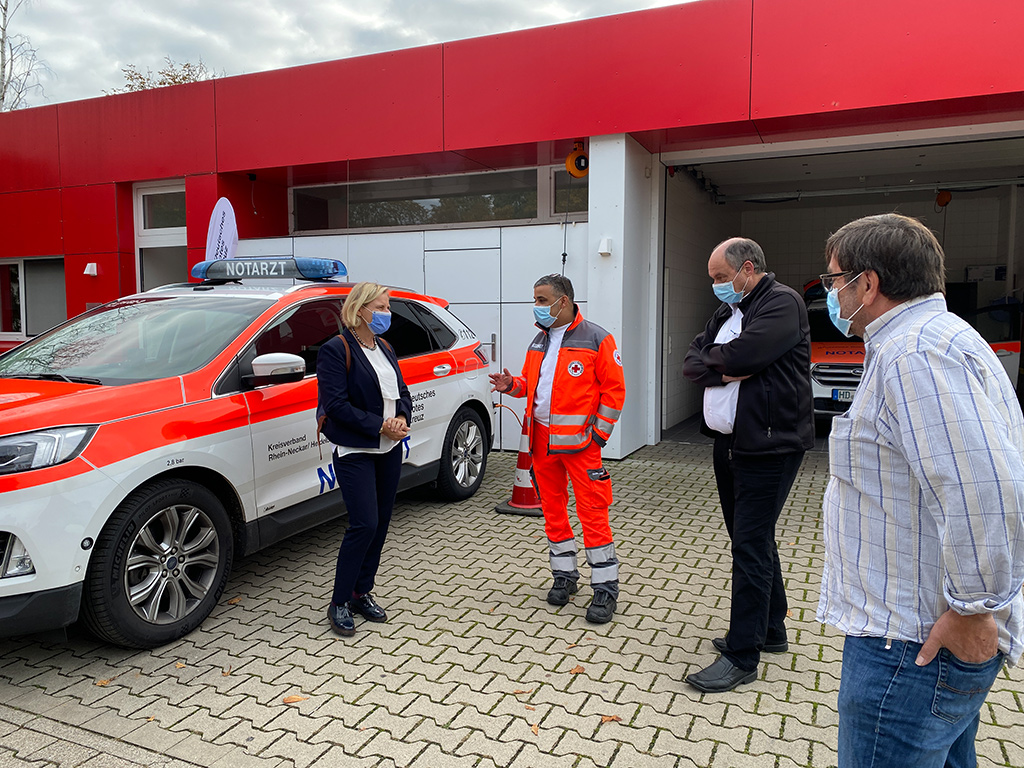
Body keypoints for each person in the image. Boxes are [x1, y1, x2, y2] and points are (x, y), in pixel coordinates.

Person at [816, 213, 1024, 767]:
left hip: (911, 646)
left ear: (868, 283)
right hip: (921, 636)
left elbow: (981, 487)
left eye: (835, 281)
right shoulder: (931, 341)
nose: (833, 294)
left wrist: (973, 612)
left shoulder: (915, 354)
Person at [683, 237, 814, 692]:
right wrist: (724, 368)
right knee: (751, 538)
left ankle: (743, 655)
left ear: (748, 268)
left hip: (769, 446)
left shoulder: (782, 303)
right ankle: (771, 628)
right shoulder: (727, 312)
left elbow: (746, 355)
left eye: (721, 277)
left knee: (749, 546)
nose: (717, 286)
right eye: (713, 279)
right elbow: (691, 361)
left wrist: (727, 363)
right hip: (731, 443)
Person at [489, 274, 626, 624]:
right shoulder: (539, 341)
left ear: (563, 301)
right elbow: (533, 387)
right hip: (542, 445)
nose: (536, 306)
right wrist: (513, 385)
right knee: (553, 512)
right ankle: (564, 577)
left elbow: (614, 392)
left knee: (592, 513)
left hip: (582, 448)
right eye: (535, 299)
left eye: (541, 299)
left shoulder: (598, 338)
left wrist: (598, 436)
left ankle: (605, 588)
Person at [316, 282, 412, 637]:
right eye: (381, 307)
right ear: (359, 310)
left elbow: (401, 392)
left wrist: (402, 417)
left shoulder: (384, 346)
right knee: (364, 524)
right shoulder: (335, 349)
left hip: (388, 449)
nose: (387, 313)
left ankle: (361, 592)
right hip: (356, 449)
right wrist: (379, 427)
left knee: (382, 523)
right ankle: (339, 600)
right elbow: (337, 405)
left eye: (388, 307)